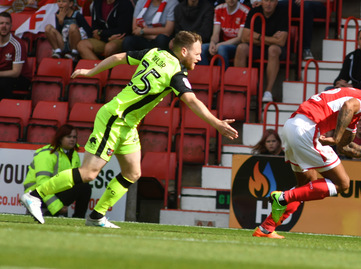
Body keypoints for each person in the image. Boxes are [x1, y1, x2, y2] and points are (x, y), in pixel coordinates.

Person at [20, 31, 239, 227]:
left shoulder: (155, 53)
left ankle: (97, 215)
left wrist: (92, 71)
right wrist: (217, 123)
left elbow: (118, 57)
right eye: (197, 53)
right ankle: (36, 196)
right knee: (88, 173)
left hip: (128, 124)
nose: (200, 58)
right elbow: (192, 101)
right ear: (183, 51)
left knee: (132, 172)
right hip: (114, 118)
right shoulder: (175, 73)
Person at [252, 75, 361, 239]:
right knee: (342, 183)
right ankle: (283, 197)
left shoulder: (354, 111)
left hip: (291, 127)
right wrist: (335, 137)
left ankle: (266, 228)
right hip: (307, 130)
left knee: (305, 188)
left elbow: (345, 146)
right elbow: (347, 107)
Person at [23, 125, 92, 218]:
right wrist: (57, 206)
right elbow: (42, 184)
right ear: (60, 138)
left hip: (53, 191)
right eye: (68, 137)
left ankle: (79, 219)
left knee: (84, 186)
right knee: (82, 185)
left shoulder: (73, 154)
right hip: (36, 194)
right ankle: (49, 214)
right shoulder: (47, 154)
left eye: (74, 137)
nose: (72, 140)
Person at [234, 0, 288, 103]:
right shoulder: (254, 11)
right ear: (261, 2)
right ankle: (241, 89)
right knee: (241, 48)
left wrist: (257, 37)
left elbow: (281, 42)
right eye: (266, 0)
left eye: (271, 1)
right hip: (258, 48)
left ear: (276, 2)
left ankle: (268, 91)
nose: (268, 4)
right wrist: (270, 38)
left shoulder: (282, 12)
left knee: (273, 50)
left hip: (274, 50)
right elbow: (245, 37)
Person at [200, 0, 250, 69]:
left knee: (222, 48)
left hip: (236, 45)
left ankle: (221, 77)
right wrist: (212, 42)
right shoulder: (218, 9)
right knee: (201, 48)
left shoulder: (245, 11)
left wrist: (220, 44)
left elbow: (239, 38)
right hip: (221, 43)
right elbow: (216, 34)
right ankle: (205, 76)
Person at [0, 12, 30, 100]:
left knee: (3, 83)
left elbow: (16, 72)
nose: (4, 26)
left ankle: (5, 110)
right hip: (2, 76)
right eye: (1, 23)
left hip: (19, 78)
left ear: (11, 26)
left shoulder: (17, 44)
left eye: (7, 23)